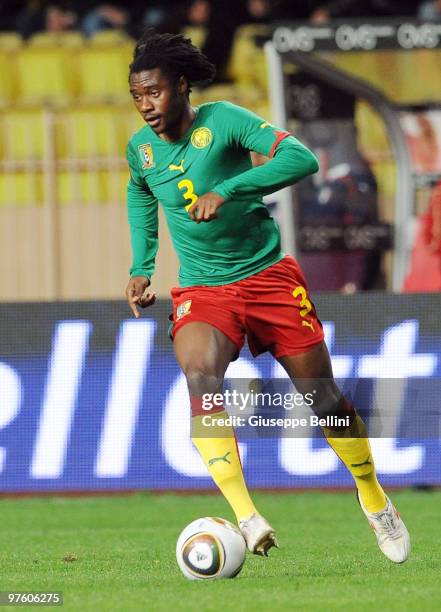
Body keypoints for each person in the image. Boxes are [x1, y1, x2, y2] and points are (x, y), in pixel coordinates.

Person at [124, 29, 410, 562]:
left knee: (322, 397)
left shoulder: (225, 121)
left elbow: (301, 159)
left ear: (182, 87)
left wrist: (230, 188)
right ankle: (247, 515)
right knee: (200, 375)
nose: (146, 106)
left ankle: (374, 499)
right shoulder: (140, 151)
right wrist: (142, 267)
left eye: (155, 93)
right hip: (205, 289)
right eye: (137, 96)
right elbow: (139, 192)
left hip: (268, 278)